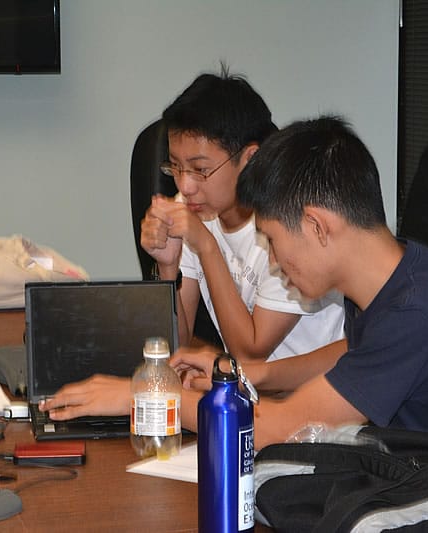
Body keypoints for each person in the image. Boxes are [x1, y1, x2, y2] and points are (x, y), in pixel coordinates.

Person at [43, 116, 428, 476]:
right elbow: (360, 352)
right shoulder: (399, 275)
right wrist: (251, 372)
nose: (274, 262)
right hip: (417, 476)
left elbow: (275, 427)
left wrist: (146, 395)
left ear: (318, 226)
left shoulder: (419, 312)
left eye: (274, 241)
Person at [139, 68, 345, 362]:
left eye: (200, 169)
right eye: (175, 167)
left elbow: (250, 353)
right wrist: (168, 266)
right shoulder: (191, 206)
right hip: (250, 389)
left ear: (250, 159)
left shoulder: (290, 223)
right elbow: (175, 349)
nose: (185, 185)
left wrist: (206, 245)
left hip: (314, 392)